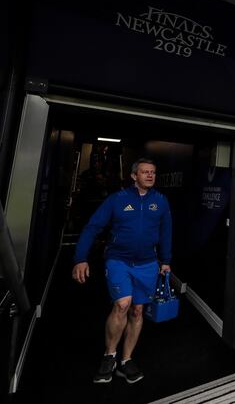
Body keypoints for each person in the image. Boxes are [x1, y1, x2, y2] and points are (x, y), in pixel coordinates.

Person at [72, 158, 172, 384]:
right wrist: (80, 258)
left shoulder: (161, 201)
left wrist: (165, 260)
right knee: (122, 304)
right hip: (119, 260)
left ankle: (126, 360)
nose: (150, 176)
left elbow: (166, 231)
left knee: (137, 310)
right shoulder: (117, 200)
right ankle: (110, 355)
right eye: (145, 172)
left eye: (153, 172)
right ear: (134, 176)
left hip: (147, 263)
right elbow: (92, 227)